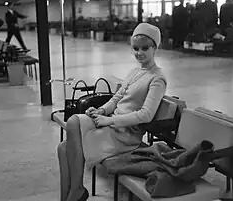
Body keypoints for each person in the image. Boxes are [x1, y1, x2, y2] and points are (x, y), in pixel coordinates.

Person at [57, 23, 167, 201]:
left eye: (145, 48)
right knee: (63, 148)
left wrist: (108, 121)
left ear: (155, 47)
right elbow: (116, 99)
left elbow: (146, 115)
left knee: (72, 124)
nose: (139, 53)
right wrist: (101, 110)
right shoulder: (135, 72)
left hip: (126, 136)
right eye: (135, 48)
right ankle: (68, 197)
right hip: (112, 125)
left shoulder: (157, 78)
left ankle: (76, 190)